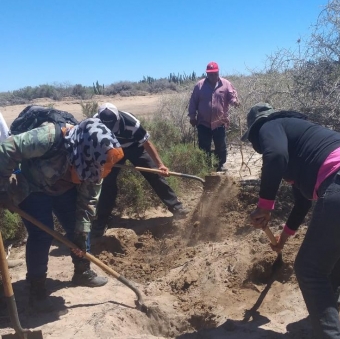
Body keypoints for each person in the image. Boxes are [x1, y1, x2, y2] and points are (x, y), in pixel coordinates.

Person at [242, 103, 340, 339]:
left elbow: (276, 156)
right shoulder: (303, 140)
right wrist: (284, 237)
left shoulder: (269, 125)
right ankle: (328, 315)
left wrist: (265, 206)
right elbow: (302, 202)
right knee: (333, 249)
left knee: (309, 269)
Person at [0, 117, 124, 312]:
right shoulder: (49, 137)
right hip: (32, 187)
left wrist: (81, 237)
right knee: (42, 233)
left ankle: (83, 271)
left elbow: (87, 204)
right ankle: (37, 289)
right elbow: (6, 150)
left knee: (77, 228)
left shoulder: (96, 160)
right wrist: (2, 188)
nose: (99, 171)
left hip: (64, 189)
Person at [91, 103, 188, 237]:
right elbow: (92, 142)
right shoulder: (96, 121)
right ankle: (103, 219)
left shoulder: (131, 123)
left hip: (134, 147)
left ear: (118, 118)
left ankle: (176, 207)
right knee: (107, 182)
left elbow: (146, 143)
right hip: (112, 150)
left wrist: (160, 165)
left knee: (155, 175)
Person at [188, 61, 239, 172]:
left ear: (218, 72)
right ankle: (206, 166)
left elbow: (231, 96)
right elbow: (193, 102)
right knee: (204, 146)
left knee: (220, 145)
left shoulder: (225, 84)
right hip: (203, 122)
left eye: (215, 73)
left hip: (220, 122)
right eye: (210, 74)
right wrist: (192, 117)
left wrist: (234, 102)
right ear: (207, 73)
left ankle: (220, 165)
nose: (212, 76)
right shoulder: (199, 86)